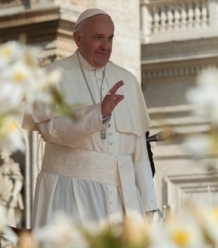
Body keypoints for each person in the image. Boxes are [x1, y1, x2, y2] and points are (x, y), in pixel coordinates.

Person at [23, 8, 160, 230]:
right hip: (70, 195)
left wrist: (149, 210)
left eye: (110, 38)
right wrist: (99, 113)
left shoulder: (128, 80)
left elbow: (140, 155)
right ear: (78, 38)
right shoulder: (52, 75)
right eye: (98, 38)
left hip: (122, 199)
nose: (105, 46)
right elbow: (52, 131)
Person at [0, 148, 24, 228]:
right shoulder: (0, 167)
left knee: (9, 222)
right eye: (1, 151)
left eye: (3, 151)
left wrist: (14, 193)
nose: (1, 153)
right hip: (0, 197)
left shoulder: (13, 166)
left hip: (8, 197)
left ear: (9, 153)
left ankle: (10, 240)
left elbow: (18, 180)